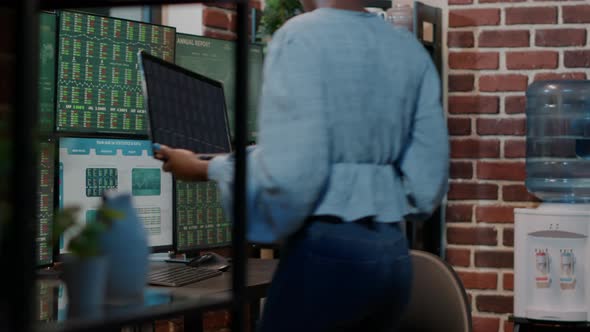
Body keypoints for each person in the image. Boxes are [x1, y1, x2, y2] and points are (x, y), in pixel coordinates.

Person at [154, 0, 449, 330]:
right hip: (393, 257)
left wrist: (208, 169)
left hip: (327, 257)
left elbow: (290, 174)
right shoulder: (406, 49)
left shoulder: (301, 37)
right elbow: (427, 182)